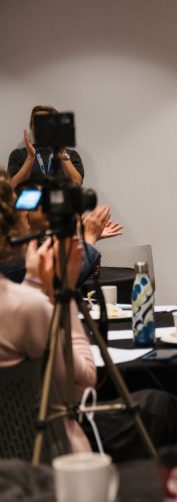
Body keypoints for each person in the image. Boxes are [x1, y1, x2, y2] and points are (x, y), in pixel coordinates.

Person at [0, 176, 94, 453]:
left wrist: (33, 283)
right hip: (42, 453)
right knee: (156, 403)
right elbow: (80, 384)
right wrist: (64, 291)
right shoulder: (23, 306)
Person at [8, 105, 84, 190]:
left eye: (45, 122)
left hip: (61, 202)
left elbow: (77, 183)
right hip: (31, 202)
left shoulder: (71, 155)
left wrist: (62, 152)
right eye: (36, 122)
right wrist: (30, 158)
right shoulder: (18, 154)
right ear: (31, 126)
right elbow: (13, 186)